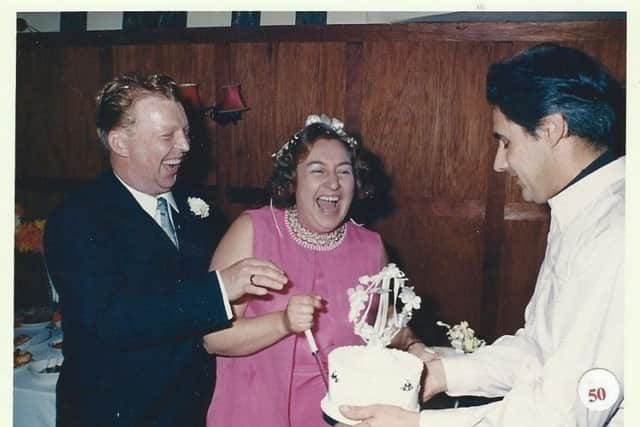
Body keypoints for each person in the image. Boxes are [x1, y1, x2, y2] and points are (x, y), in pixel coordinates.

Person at [338, 43, 625, 426]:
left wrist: (420, 425)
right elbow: (538, 353)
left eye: (506, 141)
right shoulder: (580, 210)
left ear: (552, 129)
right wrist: (441, 373)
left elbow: (561, 415)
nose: (499, 163)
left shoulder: (616, 236)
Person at [43, 73, 288, 427]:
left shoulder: (196, 207)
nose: (185, 146)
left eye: (185, 132)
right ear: (120, 143)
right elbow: (110, 320)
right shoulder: (78, 219)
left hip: (193, 411)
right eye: (166, 136)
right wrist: (219, 288)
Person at [203, 114, 423, 426]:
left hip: (335, 417)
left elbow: (384, 329)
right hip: (252, 412)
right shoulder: (253, 230)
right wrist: (281, 322)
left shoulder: (371, 248)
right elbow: (211, 338)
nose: (333, 183)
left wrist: (416, 346)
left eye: (344, 172)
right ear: (292, 181)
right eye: (318, 170)